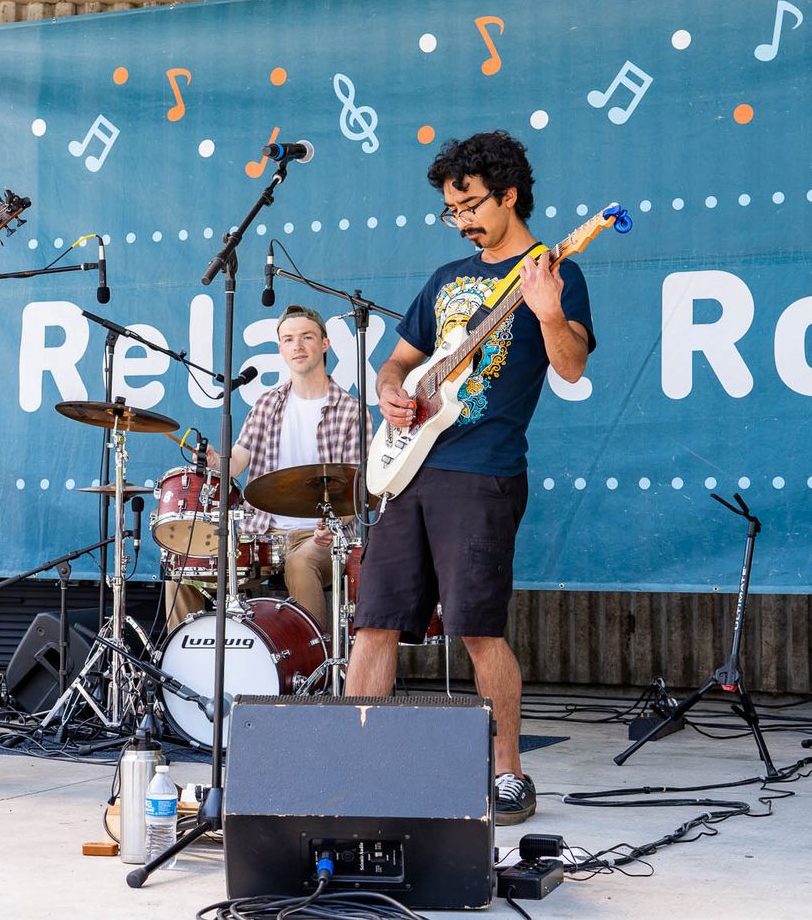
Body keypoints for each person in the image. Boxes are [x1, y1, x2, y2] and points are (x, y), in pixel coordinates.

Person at [344, 131, 595, 826]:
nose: (461, 221)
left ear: (509, 195)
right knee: (373, 624)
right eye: (451, 210)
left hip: (483, 471)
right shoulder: (446, 278)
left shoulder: (556, 272)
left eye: (471, 205)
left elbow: (571, 366)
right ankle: (354, 767)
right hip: (409, 467)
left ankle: (508, 772)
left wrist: (548, 311)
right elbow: (398, 362)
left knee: (478, 630)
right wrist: (389, 391)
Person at [165, 305, 362, 629]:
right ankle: (185, 658)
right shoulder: (268, 403)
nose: (297, 346)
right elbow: (237, 461)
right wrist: (216, 461)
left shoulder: (351, 410)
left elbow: (356, 488)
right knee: (184, 569)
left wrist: (334, 524)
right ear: (280, 348)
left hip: (321, 534)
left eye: (307, 337)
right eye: (288, 339)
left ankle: (316, 659)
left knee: (300, 565)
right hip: (262, 531)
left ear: (325, 344)